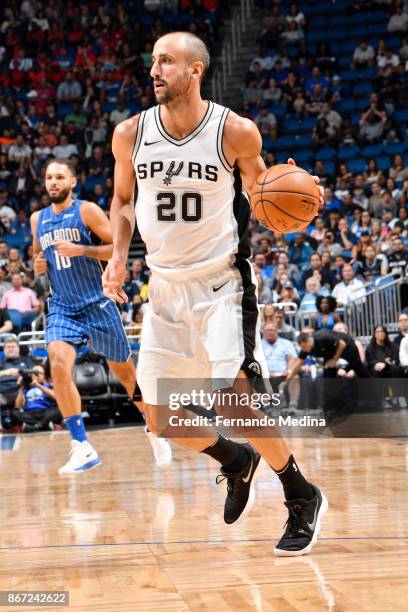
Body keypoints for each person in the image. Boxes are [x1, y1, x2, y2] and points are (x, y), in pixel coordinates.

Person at [102, 31, 327, 557]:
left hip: (222, 282)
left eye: (167, 62)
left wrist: (292, 195)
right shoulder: (130, 133)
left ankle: (300, 492)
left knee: (234, 396)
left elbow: (261, 193)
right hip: (163, 288)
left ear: (196, 70)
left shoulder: (234, 132)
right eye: (153, 62)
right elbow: (122, 200)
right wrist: (116, 254)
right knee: (158, 418)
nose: (154, 70)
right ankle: (234, 459)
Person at [31, 158, 171, 475]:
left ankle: (153, 427)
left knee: (127, 378)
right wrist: (38, 267)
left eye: (59, 177)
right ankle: (82, 445)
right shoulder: (36, 219)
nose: (53, 182)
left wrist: (83, 250)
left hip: (97, 303)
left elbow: (116, 247)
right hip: (63, 307)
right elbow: (39, 262)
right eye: (49, 177)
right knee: (57, 362)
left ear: (72, 182)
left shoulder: (87, 211)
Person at [287, 329, 371, 380]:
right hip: (331, 353)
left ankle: (377, 396)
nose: (304, 350)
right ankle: (328, 407)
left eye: (304, 347)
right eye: (302, 348)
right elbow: (298, 364)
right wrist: (288, 379)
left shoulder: (322, 337)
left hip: (347, 347)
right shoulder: (305, 349)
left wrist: (334, 359)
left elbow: (342, 344)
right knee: (328, 376)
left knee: (360, 369)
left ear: (308, 341)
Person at [261, 323, 300, 414]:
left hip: (284, 374)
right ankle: (266, 406)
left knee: (295, 377)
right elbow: (257, 361)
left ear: (277, 331)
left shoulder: (286, 343)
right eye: (267, 330)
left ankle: (292, 406)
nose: (270, 332)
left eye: (272, 330)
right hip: (266, 374)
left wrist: (288, 371)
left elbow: (292, 359)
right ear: (263, 332)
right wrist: (265, 371)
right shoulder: (258, 345)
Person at [13, 363, 62, 432]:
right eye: (34, 373)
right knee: (15, 413)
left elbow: (55, 397)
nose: (36, 376)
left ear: (44, 376)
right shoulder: (26, 387)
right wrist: (21, 388)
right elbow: (18, 406)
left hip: (45, 412)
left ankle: (34, 426)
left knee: (59, 410)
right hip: (29, 414)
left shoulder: (48, 386)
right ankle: (42, 425)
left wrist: (38, 385)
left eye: (38, 373)